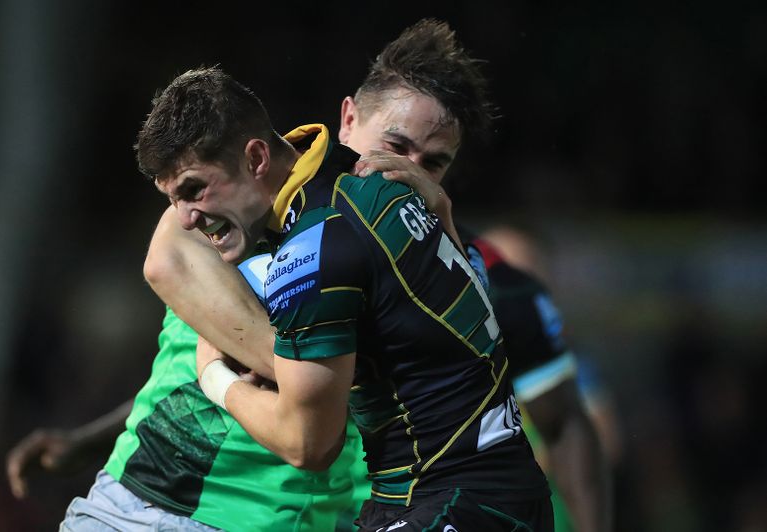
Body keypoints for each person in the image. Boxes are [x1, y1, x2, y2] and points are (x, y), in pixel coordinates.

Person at [140, 53, 552, 530]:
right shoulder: (372, 188)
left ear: (256, 158)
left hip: (452, 498)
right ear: (348, 121)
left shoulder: (311, 249)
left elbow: (307, 443)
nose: (186, 217)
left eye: (193, 191)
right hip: (454, 493)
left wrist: (213, 372)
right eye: (172, 198)